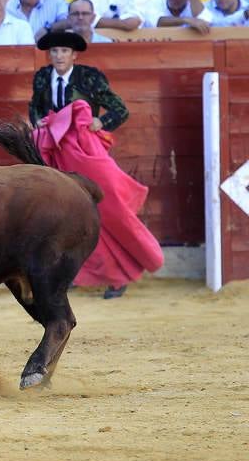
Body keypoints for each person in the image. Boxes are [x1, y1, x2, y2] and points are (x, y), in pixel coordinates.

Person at [29, 31, 163, 299]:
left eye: (64, 51)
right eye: (54, 51)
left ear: (74, 55)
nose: (58, 56)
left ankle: (118, 275)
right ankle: (74, 274)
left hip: (84, 151)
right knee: (64, 213)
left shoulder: (89, 76)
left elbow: (119, 109)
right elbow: (35, 107)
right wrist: (39, 121)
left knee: (105, 207)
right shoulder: (42, 77)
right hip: (56, 154)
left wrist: (101, 122)